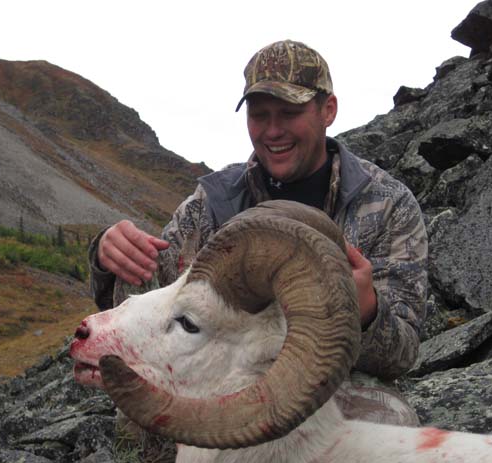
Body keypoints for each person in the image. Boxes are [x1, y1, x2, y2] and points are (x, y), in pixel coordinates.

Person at [88, 40, 428, 426]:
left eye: (289, 112)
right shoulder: (212, 202)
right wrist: (108, 256)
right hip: (220, 375)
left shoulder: (387, 204)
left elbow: (403, 353)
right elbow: (153, 302)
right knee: (133, 416)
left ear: (327, 110)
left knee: (390, 421)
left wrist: (366, 314)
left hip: (328, 389)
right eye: (259, 114)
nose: (272, 130)